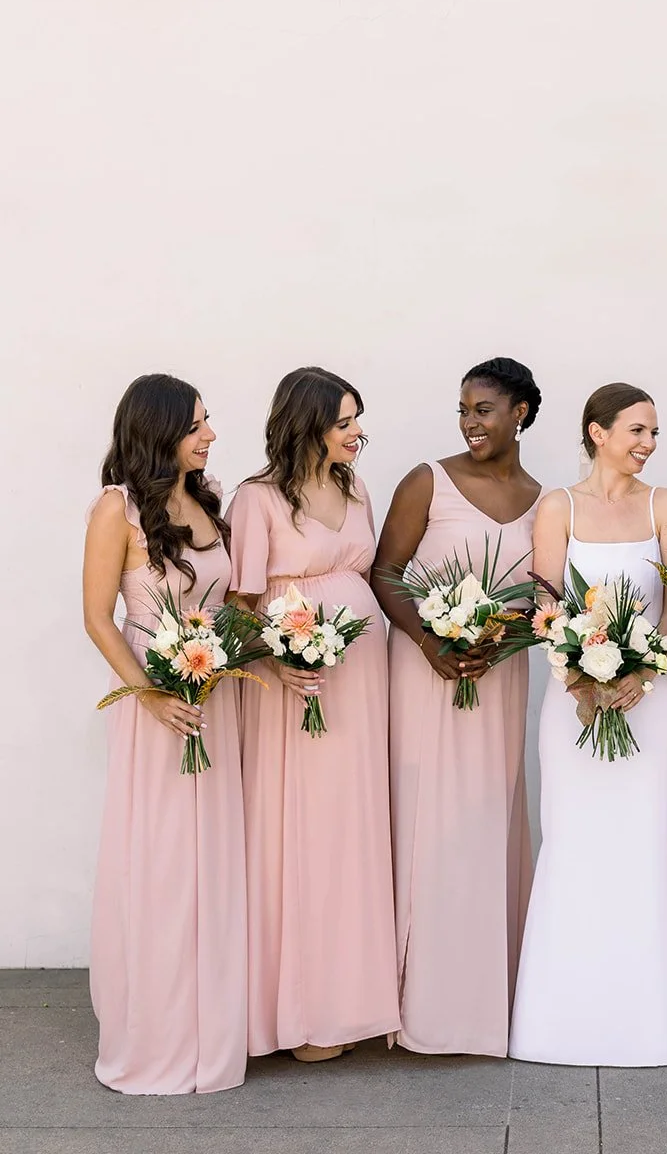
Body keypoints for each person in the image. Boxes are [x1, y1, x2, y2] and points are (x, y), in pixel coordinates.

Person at [508, 384, 667, 1067]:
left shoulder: (665, 504)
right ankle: (557, 1024)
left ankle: (639, 1026)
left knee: (643, 843)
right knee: (573, 841)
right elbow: (546, 603)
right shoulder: (559, 506)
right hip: (573, 697)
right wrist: (581, 679)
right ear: (597, 431)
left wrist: (647, 668)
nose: (648, 443)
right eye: (637, 430)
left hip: (650, 698)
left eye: (654, 432)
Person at [370, 357, 542, 1056]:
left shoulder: (545, 501)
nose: (471, 422)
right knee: (426, 821)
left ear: (520, 413)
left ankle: (484, 1000)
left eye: (484, 410)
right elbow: (386, 571)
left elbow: (548, 601)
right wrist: (428, 640)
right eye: (464, 410)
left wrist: (502, 643)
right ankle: (415, 1001)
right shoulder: (428, 481)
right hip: (425, 671)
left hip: (498, 678)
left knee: (484, 821)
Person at [228, 367, 399, 1063]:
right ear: (307, 424)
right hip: (295, 687)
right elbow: (239, 606)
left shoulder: (356, 489)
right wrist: (279, 660)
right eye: (344, 422)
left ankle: (349, 1002)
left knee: (352, 827)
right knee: (300, 831)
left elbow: (367, 576)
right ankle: (297, 1013)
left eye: (358, 420)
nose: (357, 434)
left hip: (359, 681)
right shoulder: (257, 498)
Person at [84, 373, 247, 1093]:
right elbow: (97, 617)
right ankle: (157, 1034)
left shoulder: (208, 500)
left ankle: (212, 1033)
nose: (210, 435)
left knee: (214, 861)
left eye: (208, 422)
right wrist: (149, 694)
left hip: (216, 697)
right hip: (156, 704)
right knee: (164, 863)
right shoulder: (116, 508)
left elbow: (228, 603)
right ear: (158, 431)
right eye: (195, 425)